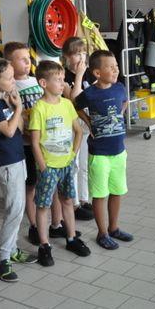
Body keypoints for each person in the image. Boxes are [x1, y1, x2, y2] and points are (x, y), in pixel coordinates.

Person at [3, 42, 73, 246]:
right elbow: (12, 117)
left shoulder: (37, 81)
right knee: (32, 185)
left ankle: (56, 224)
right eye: (22, 59)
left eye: (29, 58)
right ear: (9, 63)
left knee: (55, 187)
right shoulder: (10, 88)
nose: (28, 62)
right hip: (27, 145)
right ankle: (34, 225)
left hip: (48, 146)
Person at [0, 57, 37, 282]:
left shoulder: (3, 101)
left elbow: (19, 128)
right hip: (7, 163)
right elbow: (9, 131)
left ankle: (12, 250)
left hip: (17, 158)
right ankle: (3, 258)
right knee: (14, 210)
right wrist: (19, 107)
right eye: (10, 78)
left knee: (18, 207)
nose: (14, 81)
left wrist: (14, 107)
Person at [29, 60, 90, 266]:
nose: (63, 83)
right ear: (43, 83)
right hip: (48, 167)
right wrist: (43, 167)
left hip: (66, 165)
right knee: (43, 206)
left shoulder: (66, 104)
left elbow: (78, 131)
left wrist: (73, 154)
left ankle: (71, 238)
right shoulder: (39, 108)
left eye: (63, 79)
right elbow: (34, 141)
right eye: (58, 80)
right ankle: (44, 245)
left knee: (67, 201)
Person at [74, 51, 133, 250]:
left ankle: (114, 228)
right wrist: (88, 122)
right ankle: (102, 233)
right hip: (99, 154)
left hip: (119, 151)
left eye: (116, 66)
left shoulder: (119, 88)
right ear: (97, 73)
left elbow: (124, 101)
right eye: (110, 67)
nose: (116, 70)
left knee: (117, 191)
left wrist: (120, 114)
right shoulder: (90, 93)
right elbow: (76, 105)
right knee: (100, 194)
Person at [61, 37, 94, 221]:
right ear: (66, 57)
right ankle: (73, 203)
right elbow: (75, 101)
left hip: (87, 125)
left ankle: (84, 198)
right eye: (76, 54)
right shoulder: (64, 77)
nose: (81, 57)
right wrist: (79, 75)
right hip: (73, 126)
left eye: (83, 53)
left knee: (85, 164)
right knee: (74, 165)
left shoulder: (90, 73)